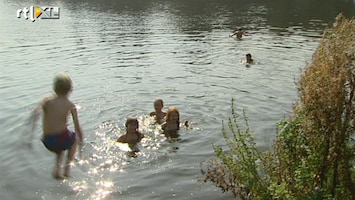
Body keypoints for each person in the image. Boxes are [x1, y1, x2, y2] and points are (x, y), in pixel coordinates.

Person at [32, 73, 84, 179]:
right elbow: (77, 128)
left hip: (47, 141)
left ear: (54, 88)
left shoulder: (47, 101)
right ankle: (67, 169)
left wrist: (28, 136)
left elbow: (35, 114)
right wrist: (81, 142)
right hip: (61, 140)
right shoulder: (71, 105)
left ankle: (57, 172)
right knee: (73, 139)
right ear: (70, 89)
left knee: (59, 149)